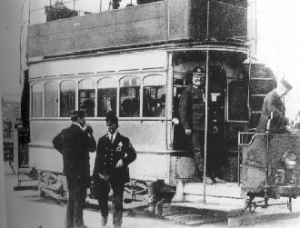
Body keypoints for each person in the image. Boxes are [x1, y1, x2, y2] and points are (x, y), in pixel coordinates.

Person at [179, 66, 225, 184]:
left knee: (210, 150)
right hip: (195, 127)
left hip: (207, 127)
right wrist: (186, 126)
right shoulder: (187, 92)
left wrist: (214, 124)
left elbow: (212, 109)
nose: (198, 79)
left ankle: (214, 175)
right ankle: (204, 176)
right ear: (192, 78)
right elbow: (183, 110)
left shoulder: (206, 91)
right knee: (198, 151)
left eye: (201, 77)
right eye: (196, 77)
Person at [52, 110, 96, 228]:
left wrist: (65, 153)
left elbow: (55, 141)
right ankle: (79, 224)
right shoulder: (82, 133)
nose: (85, 120)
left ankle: (69, 224)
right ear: (80, 119)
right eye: (84, 118)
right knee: (79, 198)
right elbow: (93, 147)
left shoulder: (65, 132)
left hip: (69, 171)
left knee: (71, 197)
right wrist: (90, 133)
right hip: (80, 172)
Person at [92, 111, 136, 228]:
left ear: (117, 125)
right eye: (108, 126)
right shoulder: (102, 140)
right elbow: (98, 159)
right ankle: (104, 215)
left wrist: (124, 161)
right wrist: (95, 175)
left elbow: (133, 155)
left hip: (118, 176)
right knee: (102, 198)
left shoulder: (124, 140)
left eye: (112, 126)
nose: (110, 128)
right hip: (103, 175)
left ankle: (117, 224)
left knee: (117, 201)